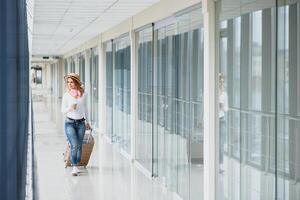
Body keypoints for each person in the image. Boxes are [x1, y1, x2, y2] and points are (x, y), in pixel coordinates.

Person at [61, 73, 91, 176]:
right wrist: (70, 108)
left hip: (81, 123)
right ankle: (74, 166)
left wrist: (88, 122)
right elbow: (62, 110)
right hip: (69, 123)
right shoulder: (66, 95)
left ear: (76, 82)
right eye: (68, 82)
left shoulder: (84, 94)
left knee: (79, 145)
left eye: (71, 82)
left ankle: (77, 162)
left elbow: (86, 109)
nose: (69, 84)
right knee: (74, 145)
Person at [219, 73, 228, 171]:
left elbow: (226, 108)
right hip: (213, 121)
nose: (221, 83)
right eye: (220, 81)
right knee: (214, 142)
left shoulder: (224, 94)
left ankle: (220, 164)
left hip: (222, 119)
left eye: (222, 81)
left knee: (221, 143)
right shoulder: (211, 92)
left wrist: (222, 107)